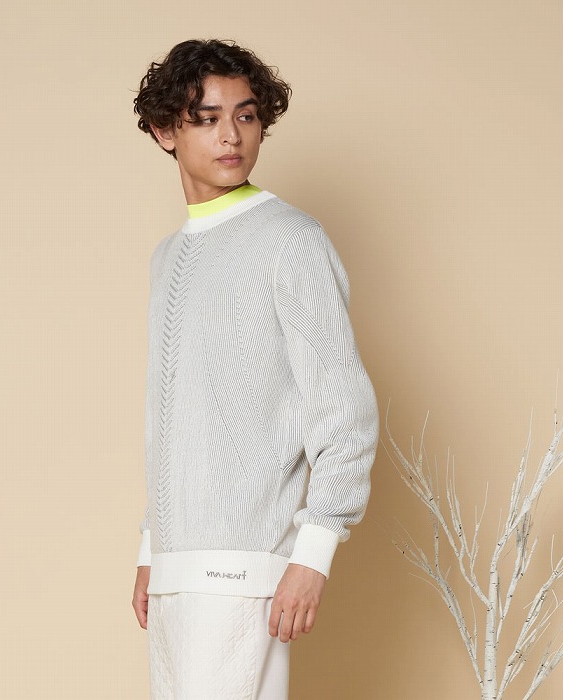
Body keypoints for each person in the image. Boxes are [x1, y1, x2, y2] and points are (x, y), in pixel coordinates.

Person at [131, 38, 379, 699]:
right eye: (207, 118)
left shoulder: (290, 241)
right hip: (178, 573)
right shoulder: (167, 257)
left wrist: (313, 555)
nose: (231, 135)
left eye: (246, 115)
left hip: (244, 570)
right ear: (164, 131)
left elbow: (344, 409)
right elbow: (176, 416)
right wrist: (153, 549)